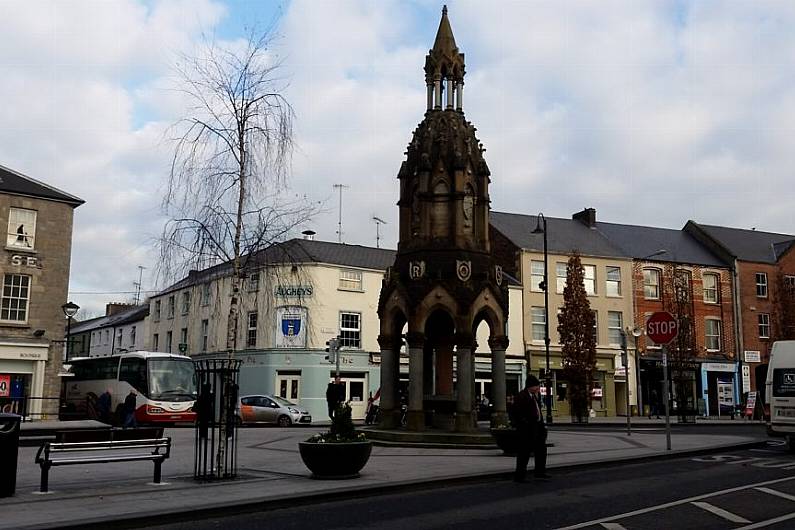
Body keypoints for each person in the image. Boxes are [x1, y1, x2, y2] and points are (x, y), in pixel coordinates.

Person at [513, 375, 550, 482]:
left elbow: (537, 411)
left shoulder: (534, 396)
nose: (538, 388)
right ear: (530, 386)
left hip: (537, 428)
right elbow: (517, 413)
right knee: (524, 453)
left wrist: (542, 425)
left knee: (541, 451)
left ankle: (540, 472)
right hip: (527, 430)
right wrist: (525, 424)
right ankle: (520, 476)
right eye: (537, 386)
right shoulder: (521, 396)